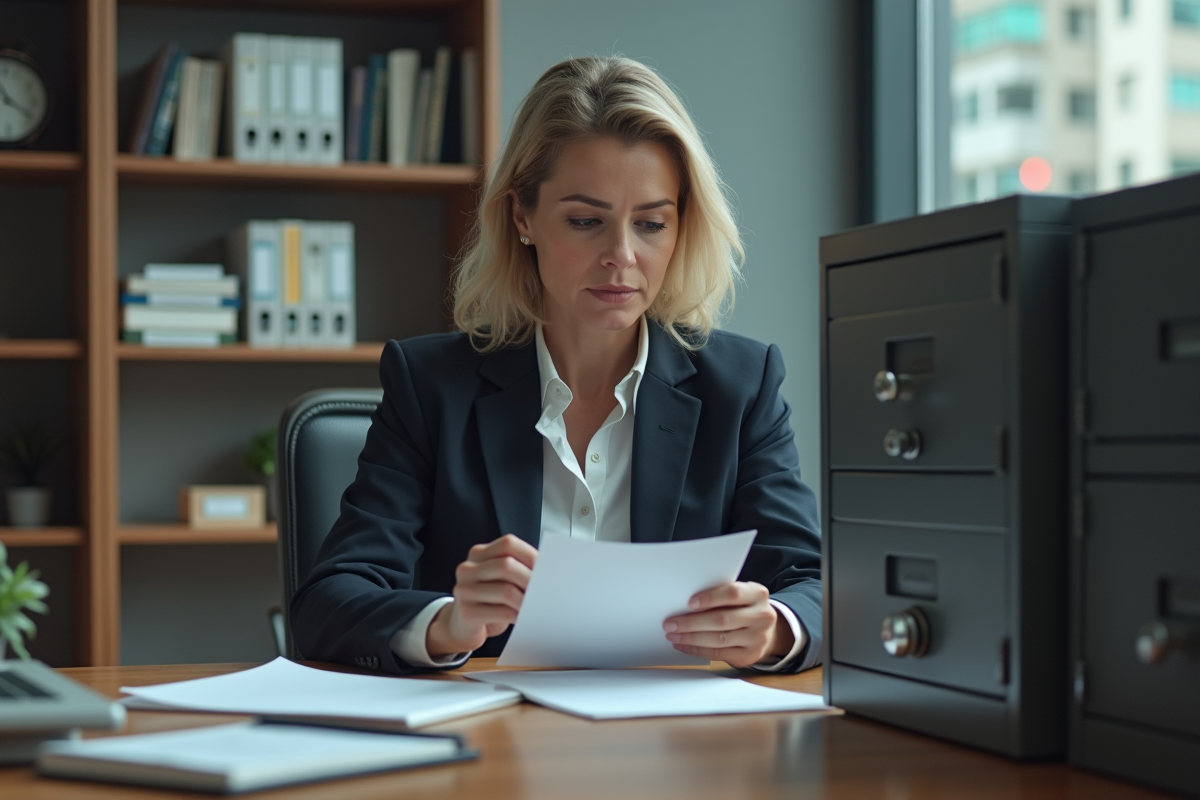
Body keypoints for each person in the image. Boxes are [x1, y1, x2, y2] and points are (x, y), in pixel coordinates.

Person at [291, 56, 822, 675]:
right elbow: (328, 603)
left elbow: (812, 583)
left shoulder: (743, 385)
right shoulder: (431, 384)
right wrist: (447, 623)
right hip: (492, 746)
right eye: (586, 221)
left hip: (679, 744)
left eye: (651, 223)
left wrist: (773, 630)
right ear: (522, 217)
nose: (621, 257)